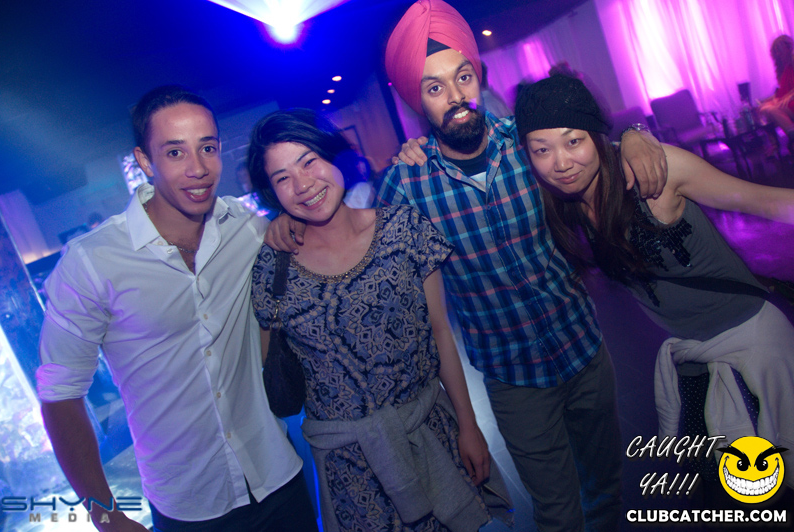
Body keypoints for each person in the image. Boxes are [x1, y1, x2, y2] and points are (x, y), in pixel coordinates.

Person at [264, 1, 670, 530]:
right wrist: (286, 218)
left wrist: (635, 134)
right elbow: (356, 239)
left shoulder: (528, 143)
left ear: (478, 77)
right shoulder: (407, 185)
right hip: (513, 377)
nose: (455, 96)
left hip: (584, 348)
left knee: (607, 489)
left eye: (462, 77)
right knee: (557, 513)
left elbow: (591, 148)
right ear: (418, 102)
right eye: (434, 88)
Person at [36, 85, 318, 532]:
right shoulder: (92, 261)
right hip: (188, 506)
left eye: (208, 148)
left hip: (279, 477)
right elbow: (60, 396)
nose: (198, 168)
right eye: (174, 152)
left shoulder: (245, 229)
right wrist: (104, 514)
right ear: (144, 161)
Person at [515, 73, 794, 490]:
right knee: (723, 488)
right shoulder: (564, 203)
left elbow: (767, 201)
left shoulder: (658, 171)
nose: (560, 162)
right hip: (692, 356)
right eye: (542, 150)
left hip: (755, 342)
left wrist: (634, 132)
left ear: (596, 136)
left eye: (573, 141)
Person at [247, 108, 512, 532]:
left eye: (309, 161)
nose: (303, 184)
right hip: (350, 466)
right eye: (282, 178)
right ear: (272, 193)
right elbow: (272, 364)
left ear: (333, 155)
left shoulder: (403, 228)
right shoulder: (273, 267)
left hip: (430, 434)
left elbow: (441, 332)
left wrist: (469, 425)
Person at [759, 35, 794, 152]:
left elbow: (788, 92)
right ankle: (776, 143)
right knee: (764, 108)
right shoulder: (783, 68)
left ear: (788, 48)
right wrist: (770, 99)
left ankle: (780, 142)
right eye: (776, 51)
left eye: (779, 50)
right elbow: (783, 92)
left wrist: (790, 95)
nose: (778, 54)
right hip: (788, 101)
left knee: (770, 110)